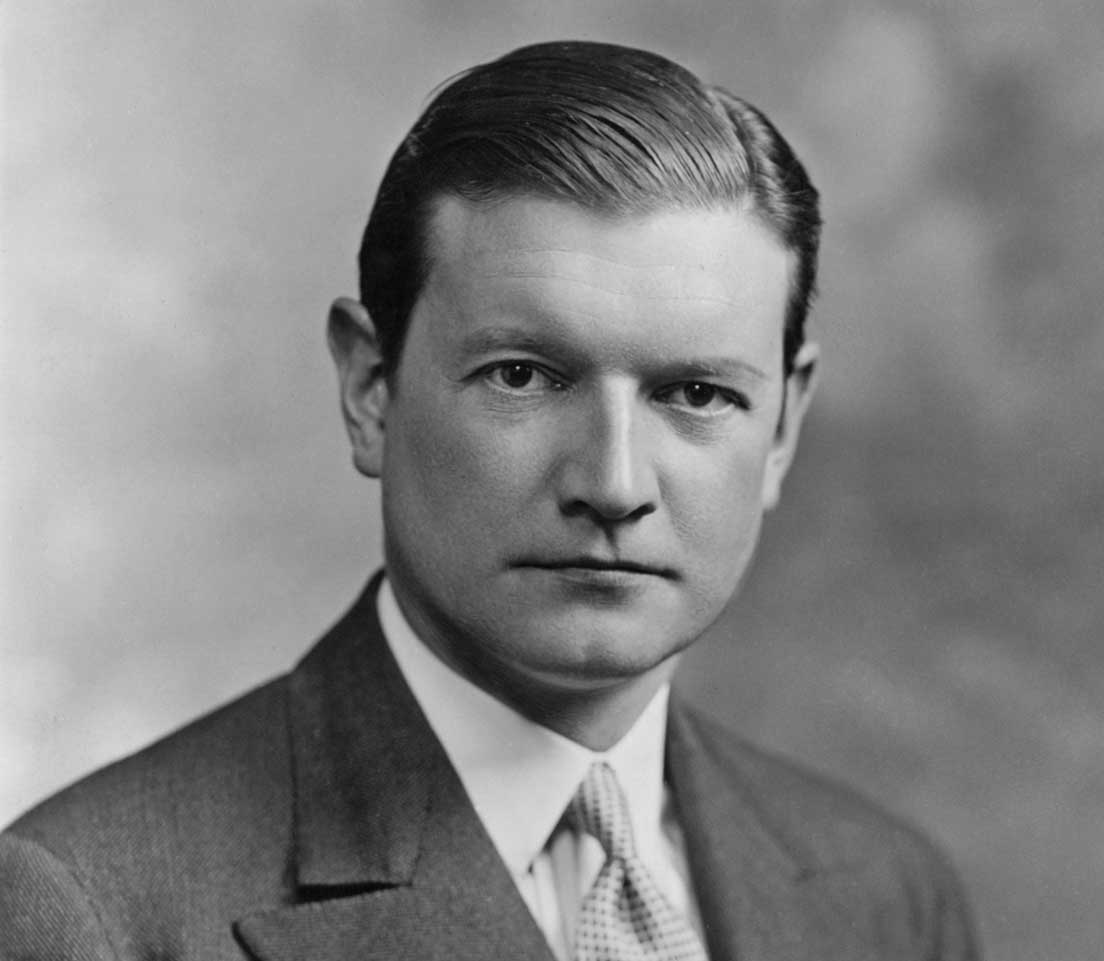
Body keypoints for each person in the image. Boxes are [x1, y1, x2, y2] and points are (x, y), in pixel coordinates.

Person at [0, 41, 978, 960]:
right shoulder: (90, 910)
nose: (613, 484)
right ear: (370, 387)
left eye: (697, 394)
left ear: (782, 429)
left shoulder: (886, 898)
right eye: (524, 375)